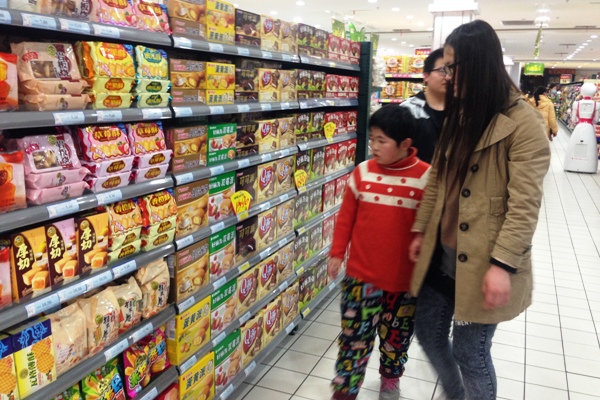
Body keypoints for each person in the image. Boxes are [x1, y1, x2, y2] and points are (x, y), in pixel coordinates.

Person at [408, 20, 551, 400]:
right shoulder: (461, 113)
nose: (447, 76)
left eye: (452, 67)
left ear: (477, 64)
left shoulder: (524, 123)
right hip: (443, 253)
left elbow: (524, 205)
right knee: (428, 331)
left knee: (470, 352)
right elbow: (437, 178)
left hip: (485, 260)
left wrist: (503, 265)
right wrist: (421, 228)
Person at [328, 106, 430, 400]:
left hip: (403, 283)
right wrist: (337, 253)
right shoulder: (362, 172)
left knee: (396, 338)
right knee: (353, 337)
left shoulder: (426, 177)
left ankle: (390, 377)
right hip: (360, 278)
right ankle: (345, 389)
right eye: (372, 139)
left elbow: (429, 225)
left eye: (382, 141)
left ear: (405, 144)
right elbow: (346, 218)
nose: (373, 146)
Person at [400, 48, 446, 163]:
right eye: (442, 70)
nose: (447, 76)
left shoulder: (462, 111)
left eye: (451, 71)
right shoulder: (408, 109)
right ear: (426, 76)